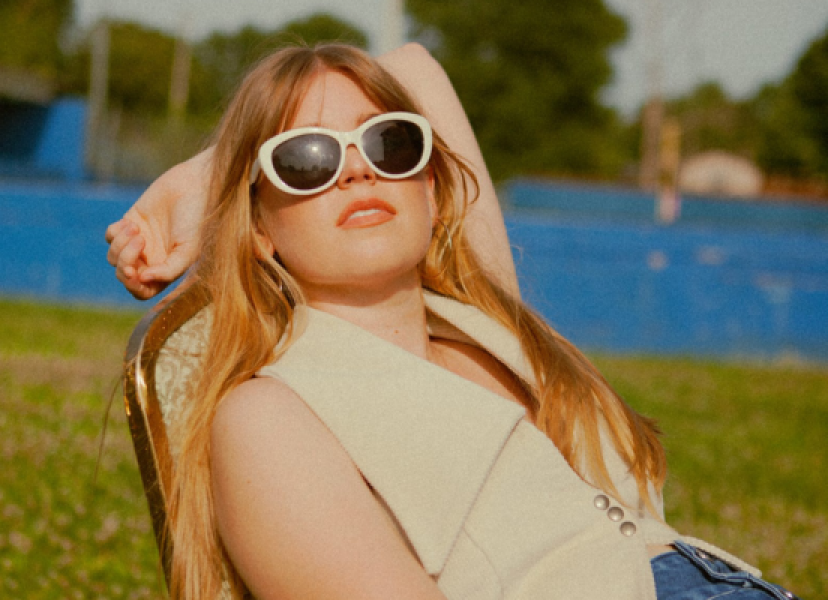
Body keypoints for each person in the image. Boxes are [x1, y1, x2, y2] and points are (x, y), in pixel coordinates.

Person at [107, 44, 800, 600]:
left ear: (432, 192)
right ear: (259, 228)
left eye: (390, 143)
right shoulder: (269, 416)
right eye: (305, 159)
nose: (357, 171)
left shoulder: (484, 317)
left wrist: (209, 171)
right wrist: (234, 173)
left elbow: (412, 67)